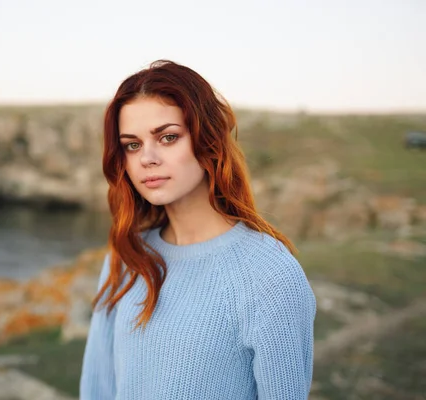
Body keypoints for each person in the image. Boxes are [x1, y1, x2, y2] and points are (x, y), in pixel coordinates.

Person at [79, 60, 316, 400]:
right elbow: (97, 389)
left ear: (208, 141)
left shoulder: (269, 274)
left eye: (168, 137)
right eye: (132, 144)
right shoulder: (127, 257)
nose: (147, 157)